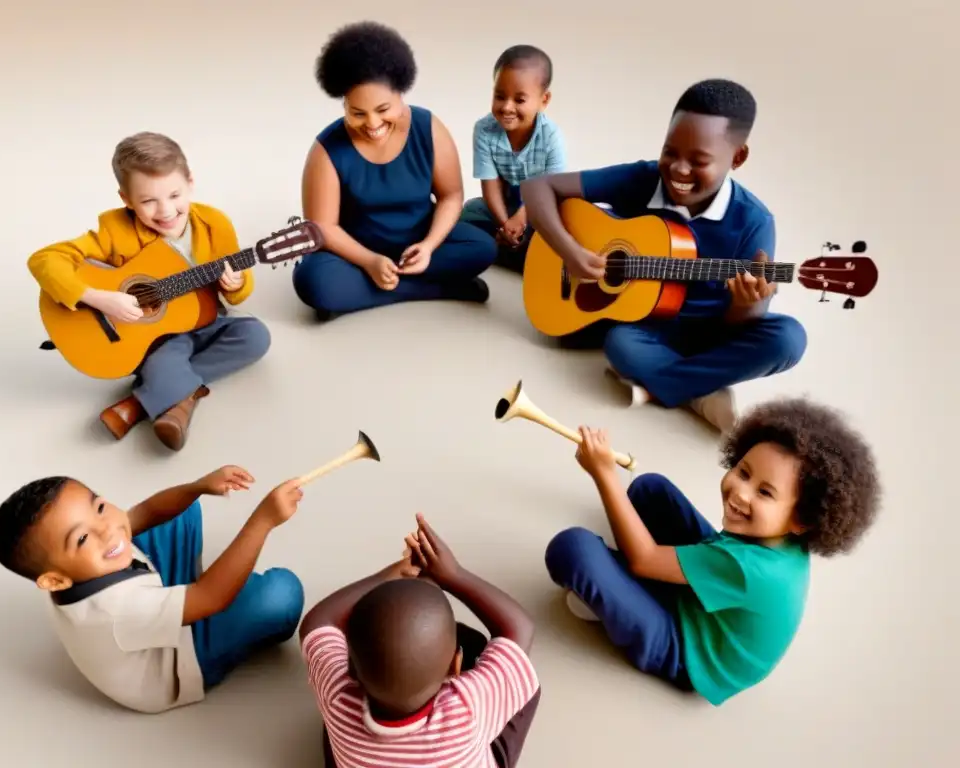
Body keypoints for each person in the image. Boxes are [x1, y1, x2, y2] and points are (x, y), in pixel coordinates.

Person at [543, 398, 881, 706]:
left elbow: (643, 561)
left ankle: (614, 601)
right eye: (743, 472)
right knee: (650, 489)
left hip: (686, 652)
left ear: (802, 519)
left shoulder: (749, 568)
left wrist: (604, 474)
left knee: (572, 550)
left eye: (765, 492)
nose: (740, 492)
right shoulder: (784, 538)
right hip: (713, 600)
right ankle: (630, 587)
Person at [521, 79, 807, 432]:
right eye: (670, 152)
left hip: (713, 331)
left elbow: (741, 326)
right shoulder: (645, 178)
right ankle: (698, 394)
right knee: (622, 343)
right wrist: (571, 252)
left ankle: (662, 383)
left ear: (738, 157)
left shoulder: (753, 222)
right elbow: (536, 187)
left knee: (789, 338)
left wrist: (747, 300)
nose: (679, 170)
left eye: (699, 161)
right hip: (649, 328)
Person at [0, 466, 306, 714]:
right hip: (178, 661)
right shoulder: (116, 612)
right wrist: (263, 520)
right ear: (55, 580)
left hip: (146, 596)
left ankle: (183, 595)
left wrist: (199, 486)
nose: (109, 529)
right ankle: (211, 620)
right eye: (82, 539)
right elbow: (212, 597)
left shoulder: (79, 564)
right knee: (282, 595)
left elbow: (147, 512)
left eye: (99, 507)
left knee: (181, 508)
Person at [28, 132, 271, 450]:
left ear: (190, 182)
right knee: (166, 358)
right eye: (148, 201)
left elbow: (238, 289)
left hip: (204, 320)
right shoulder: (116, 231)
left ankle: (139, 403)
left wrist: (237, 284)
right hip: (151, 340)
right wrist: (100, 298)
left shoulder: (215, 223)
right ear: (126, 199)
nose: (166, 210)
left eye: (174, 195)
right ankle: (176, 404)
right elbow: (44, 260)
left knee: (256, 337)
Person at [300, 513, 541, 767]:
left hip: (357, 749)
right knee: (523, 680)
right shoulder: (466, 710)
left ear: (349, 665)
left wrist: (386, 576)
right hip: (461, 740)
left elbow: (317, 623)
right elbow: (519, 628)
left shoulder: (339, 697)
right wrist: (454, 575)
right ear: (455, 668)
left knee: (332, 712)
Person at [293, 21, 498, 320]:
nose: (373, 124)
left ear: (402, 92)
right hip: (356, 251)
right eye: (357, 113)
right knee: (312, 280)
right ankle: (440, 289)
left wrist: (428, 247)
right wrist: (370, 262)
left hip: (418, 242)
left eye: (383, 109)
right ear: (344, 104)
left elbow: (451, 196)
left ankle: (360, 295)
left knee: (482, 247)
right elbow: (323, 228)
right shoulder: (326, 150)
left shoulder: (429, 129)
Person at [460, 44, 566, 273]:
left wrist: (522, 218)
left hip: (540, 205)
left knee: (563, 227)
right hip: (505, 205)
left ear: (543, 100)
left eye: (519, 100)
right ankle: (509, 244)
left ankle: (518, 251)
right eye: (499, 96)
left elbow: (552, 188)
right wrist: (505, 224)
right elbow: (490, 186)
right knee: (467, 213)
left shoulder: (551, 135)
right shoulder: (484, 130)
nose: (507, 107)